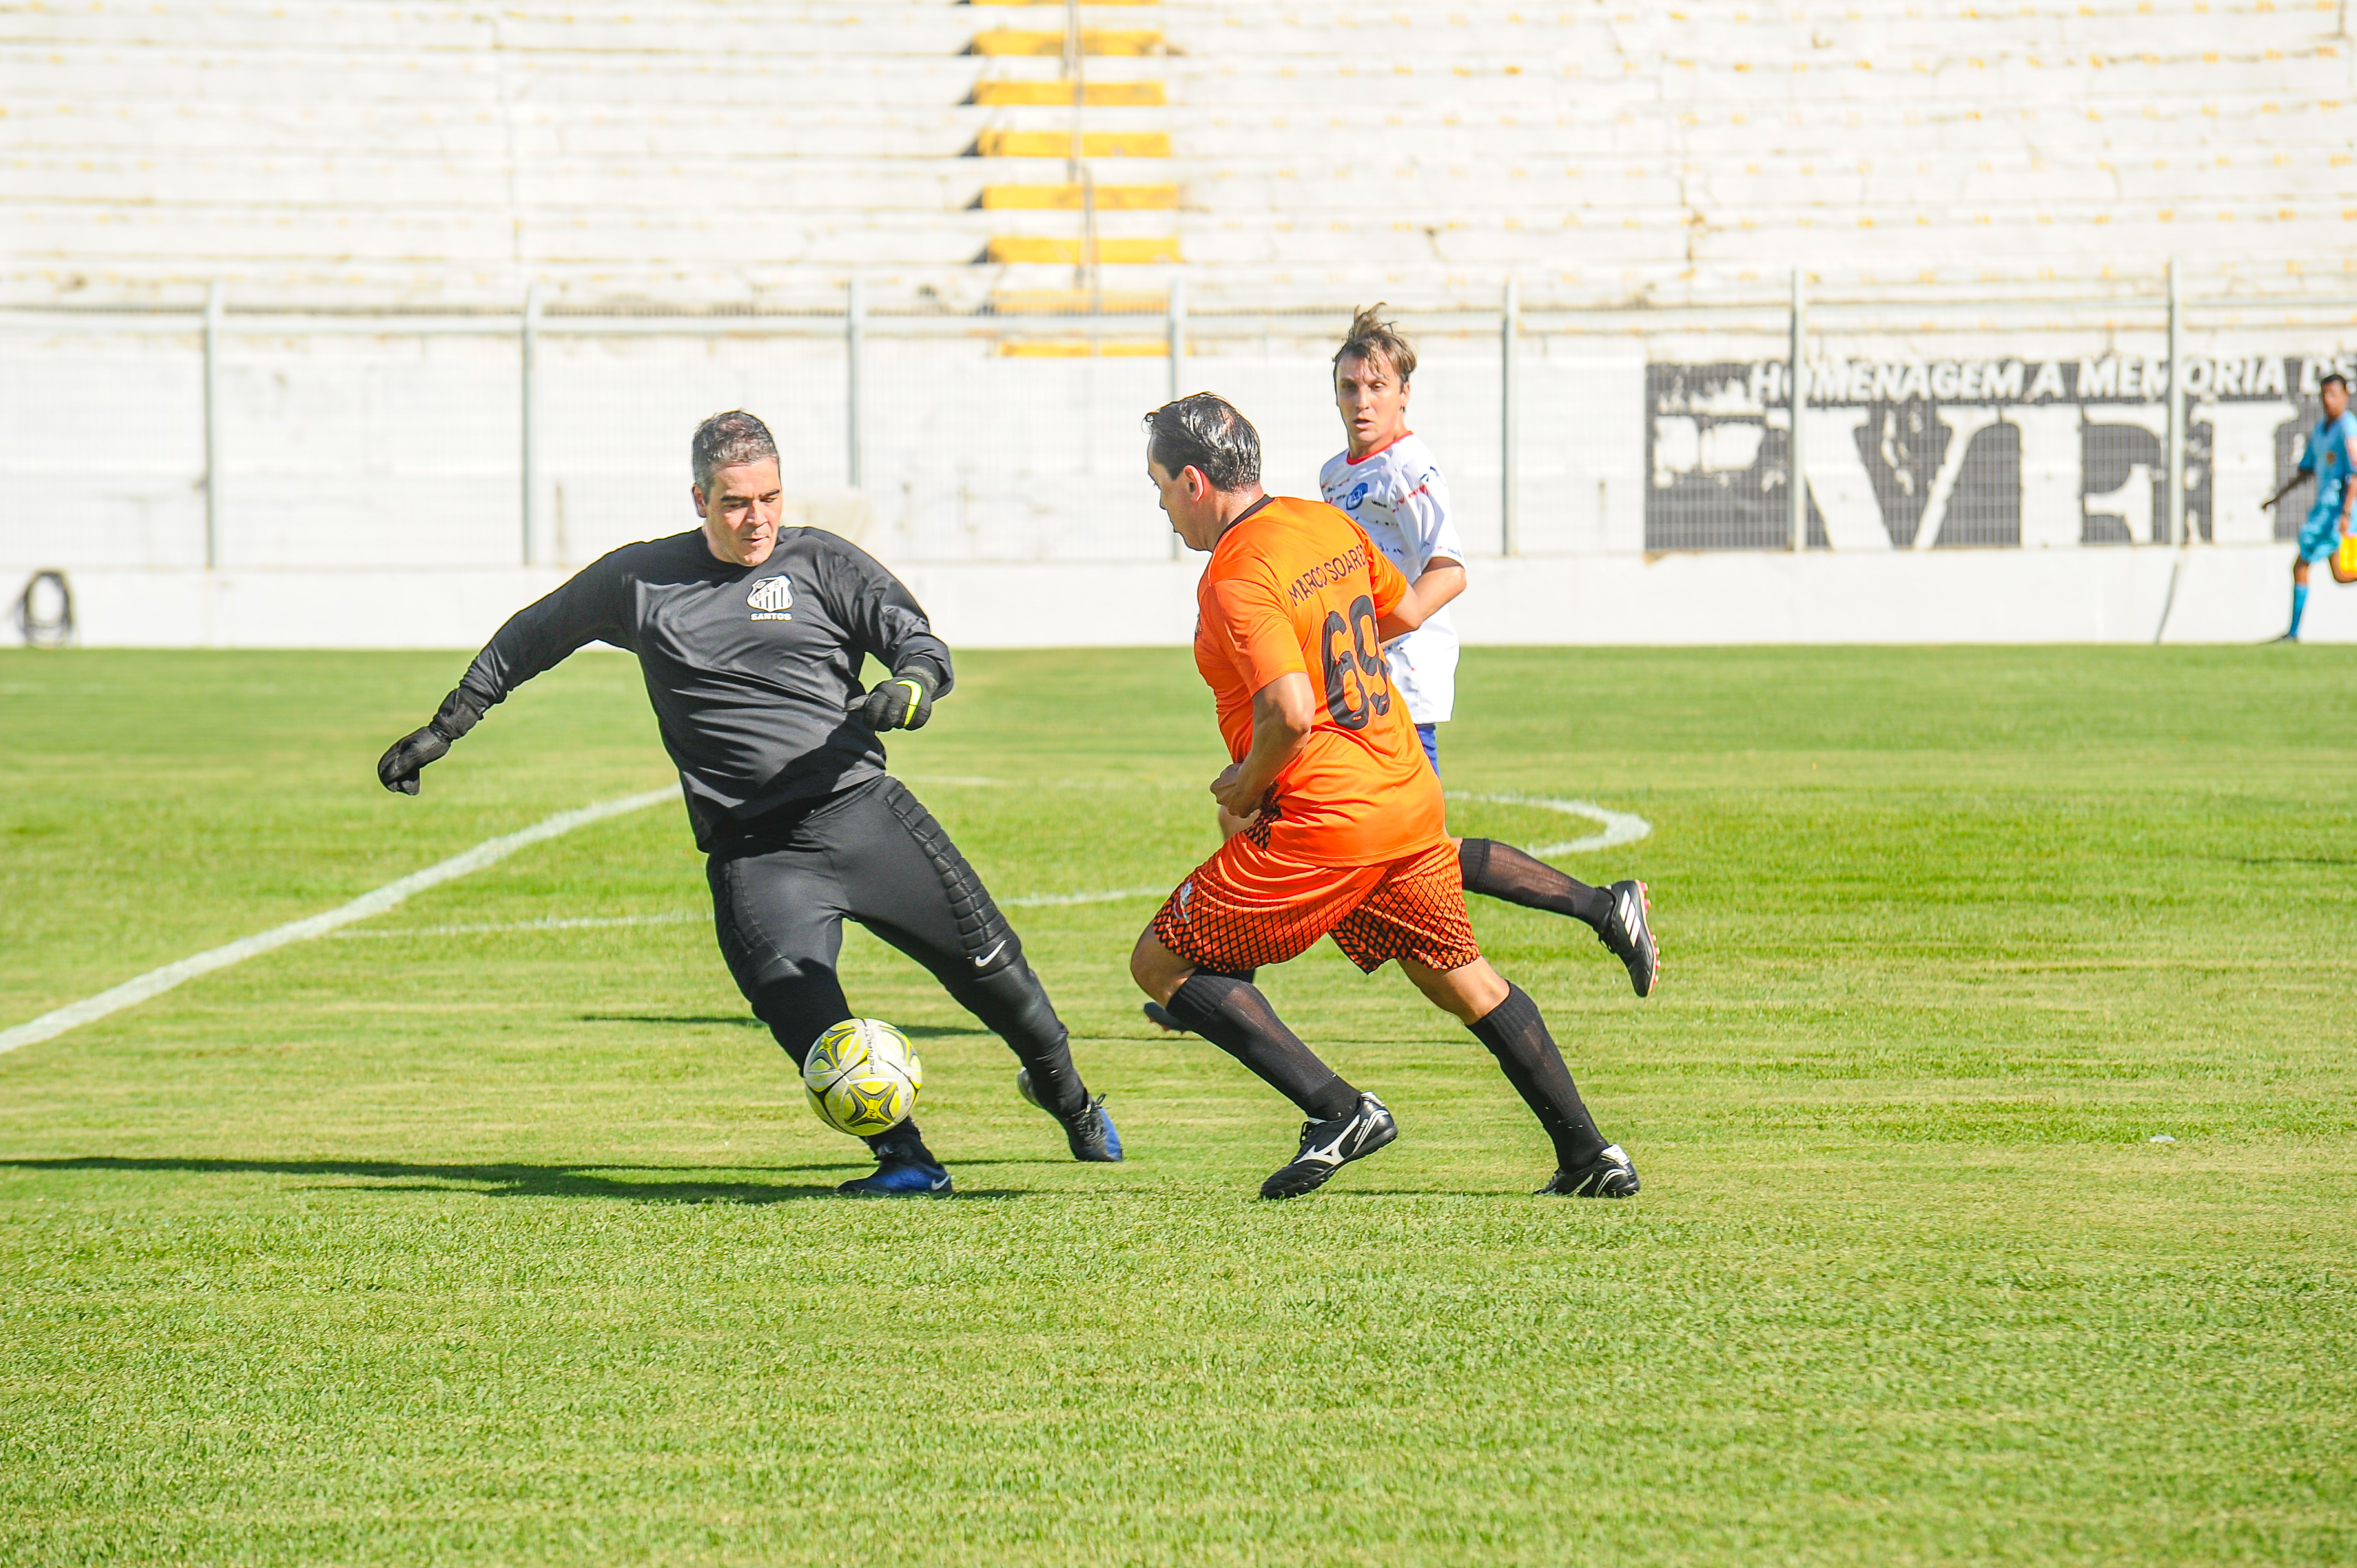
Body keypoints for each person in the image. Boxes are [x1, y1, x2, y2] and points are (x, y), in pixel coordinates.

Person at [374, 410, 1120, 1197]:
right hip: (757, 854)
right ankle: (905, 1158)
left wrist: (912, 685)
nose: (756, 518)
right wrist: (447, 727)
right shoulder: (640, 579)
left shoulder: (822, 562)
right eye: (735, 503)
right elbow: (532, 636)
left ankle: (1067, 1098)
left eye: (769, 498)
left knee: (999, 980)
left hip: (862, 816)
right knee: (797, 1006)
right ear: (700, 499)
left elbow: (917, 642)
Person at [1128, 391, 1639, 1201]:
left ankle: (1337, 1110)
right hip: (1403, 792)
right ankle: (1590, 1155)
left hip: (1329, 822)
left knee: (1161, 963)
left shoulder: (1235, 573)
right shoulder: (1324, 524)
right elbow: (1398, 611)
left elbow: (1290, 710)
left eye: (1160, 488)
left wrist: (1248, 783)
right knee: (1461, 981)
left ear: (1195, 482)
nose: (1161, 507)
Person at [1144, 306, 1656, 1044]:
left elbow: (1448, 569)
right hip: (1350, 676)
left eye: (1375, 386)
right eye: (1348, 387)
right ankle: (1217, 978)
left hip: (1392, 677)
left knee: (1409, 847)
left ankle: (1603, 908)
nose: (1360, 402)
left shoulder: (1411, 470)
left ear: (1403, 394)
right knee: (1331, 833)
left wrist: (1354, 629)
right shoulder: (1335, 475)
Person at [2265, 371, 2357, 641]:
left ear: (2345, 396)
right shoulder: (2321, 430)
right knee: (2339, 573)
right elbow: (2306, 471)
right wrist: (2277, 497)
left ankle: (2293, 633)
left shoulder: (2348, 428)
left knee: (2304, 567)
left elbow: (2355, 474)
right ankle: (2293, 633)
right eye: (2324, 394)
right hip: (2325, 513)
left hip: (2335, 515)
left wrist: (2346, 513)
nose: (2328, 400)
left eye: (2333, 394)